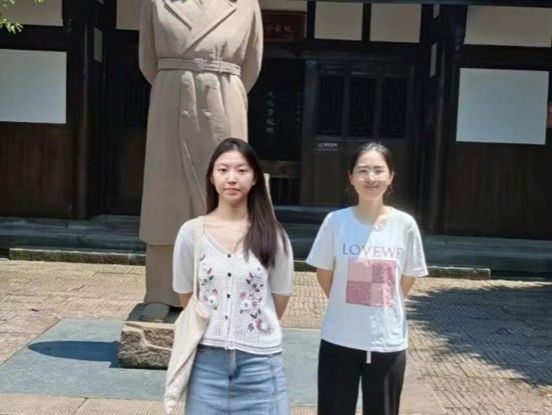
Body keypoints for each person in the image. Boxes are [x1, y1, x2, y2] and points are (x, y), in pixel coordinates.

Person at [138, 0, 264, 320]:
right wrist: (178, 80)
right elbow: (147, 60)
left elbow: (252, 64)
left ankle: (222, 287)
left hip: (224, 95)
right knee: (166, 197)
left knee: (226, 192)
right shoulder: (155, 2)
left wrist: (217, 83)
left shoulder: (246, 4)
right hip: (171, 97)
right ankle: (162, 290)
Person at [172, 138, 293, 414]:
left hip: (260, 365)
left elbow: (280, 296)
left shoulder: (273, 234)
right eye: (223, 170)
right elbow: (185, 294)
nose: (232, 178)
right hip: (207, 364)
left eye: (242, 170)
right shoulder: (192, 233)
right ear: (211, 177)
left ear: (255, 178)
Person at [306, 143, 428, 415]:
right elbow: (324, 272)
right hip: (340, 336)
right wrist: (346, 302)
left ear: (391, 176)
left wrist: (382, 302)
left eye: (378, 170)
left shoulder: (404, 225)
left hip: (386, 339)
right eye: (362, 170)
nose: (370, 178)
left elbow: (407, 277)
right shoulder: (336, 222)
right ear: (351, 177)